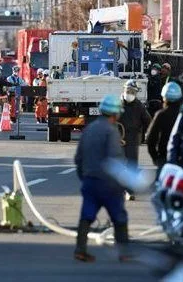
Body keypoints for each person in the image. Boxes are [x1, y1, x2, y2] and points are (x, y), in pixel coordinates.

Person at [74, 94, 130, 262]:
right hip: (108, 184)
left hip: (90, 181)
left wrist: (85, 178)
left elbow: (78, 158)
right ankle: (124, 252)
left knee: (87, 215)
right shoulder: (111, 131)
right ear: (115, 113)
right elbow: (115, 159)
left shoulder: (90, 128)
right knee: (119, 217)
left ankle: (80, 249)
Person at [146, 82, 183, 173]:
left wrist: (156, 158)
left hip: (164, 159)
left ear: (164, 97)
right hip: (182, 161)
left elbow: (150, 138)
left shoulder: (161, 115)